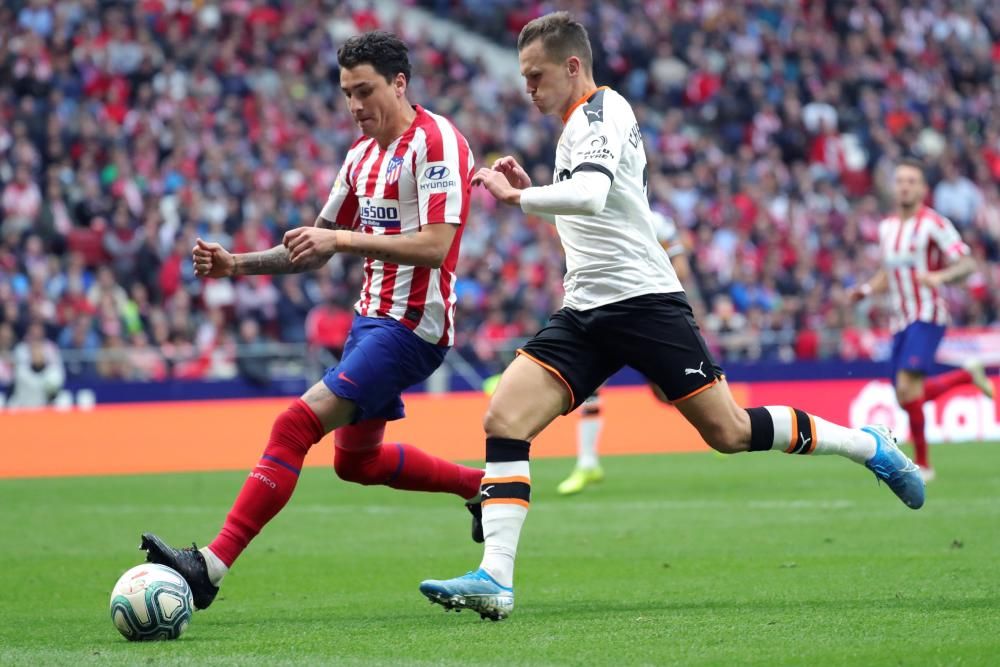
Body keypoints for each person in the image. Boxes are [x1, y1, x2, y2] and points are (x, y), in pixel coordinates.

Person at [418, 12, 924, 621]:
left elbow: (592, 195)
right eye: (524, 77)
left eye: (537, 75)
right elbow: (589, 213)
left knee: (729, 433)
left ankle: (865, 444)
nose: (528, 88)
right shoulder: (576, 127)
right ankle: (495, 579)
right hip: (585, 309)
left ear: (573, 66)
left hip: (643, 302)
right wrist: (538, 197)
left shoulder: (604, 112)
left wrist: (519, 196)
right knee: (504, 417)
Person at [141, 31, 484, 610]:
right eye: (347, 93)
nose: (354, 106)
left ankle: (210, 568)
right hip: (369, 322)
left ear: (399, 84)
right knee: (357, 462)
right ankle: (480, 486)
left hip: (413, 327)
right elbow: (315, 246)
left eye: (365, 91)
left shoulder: (438, 143)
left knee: (293, 426)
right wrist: (237, 266)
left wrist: (344, 237)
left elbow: (435, 245)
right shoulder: (361, 156)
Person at [850, 159, 993, 481]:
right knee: (905, 397)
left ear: (922, 189)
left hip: (927, 315)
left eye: (911, 181)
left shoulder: (934, 224)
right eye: (900, 180)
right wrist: (865, 290)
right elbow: (888, 272)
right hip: (899, 321)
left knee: (906, 387)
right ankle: (966, 376)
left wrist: (940, 276)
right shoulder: (887, 227)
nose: (904, 186)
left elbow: (967, 264)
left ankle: (924, 466)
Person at [557, 211, 690, 495]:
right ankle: (587, 463)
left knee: (667, 391)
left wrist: (647, 284)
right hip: (604, 314)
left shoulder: (656, 221)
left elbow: (682, 267)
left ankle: (716, 421)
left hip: (646, 316)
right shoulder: (591, 213)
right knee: (590, 386)